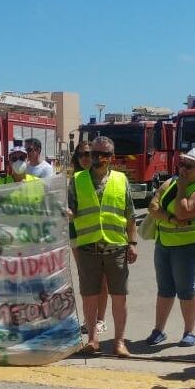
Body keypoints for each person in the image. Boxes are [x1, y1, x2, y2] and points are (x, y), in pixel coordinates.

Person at [68, 136, 137, 357]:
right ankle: (92, 340)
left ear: (111, 158)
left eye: (103, 155)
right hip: (88, 247)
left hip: (116, 246)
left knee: (119, 296)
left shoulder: (120, 179)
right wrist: (68, 213)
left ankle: (119, 342)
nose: (97, 158)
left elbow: (130, 214)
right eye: (92, 154)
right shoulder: (77, 179)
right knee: (89, 295)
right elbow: (71, 209)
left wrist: (133, 243)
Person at [144, 148, 195, 348]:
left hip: (189, 246)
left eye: (189, 166)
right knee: (164, 289)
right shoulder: (171, 182)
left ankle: (189, 332)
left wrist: (182, 189)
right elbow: (153, 206)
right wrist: (171, 219)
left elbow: (184, 212)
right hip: (164, 242)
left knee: (185, 289)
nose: (183, 169)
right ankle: (158, 330)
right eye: (181, 164)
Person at [68, 140, 107, 333]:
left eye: (89, 154)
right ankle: (88, 319)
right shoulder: (73, 178)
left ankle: (100, 319)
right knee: (86, 278)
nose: (85, 158)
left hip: (102, 234)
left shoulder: (103, 178)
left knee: (103, 278)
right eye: (81, 154)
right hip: (78, 234)